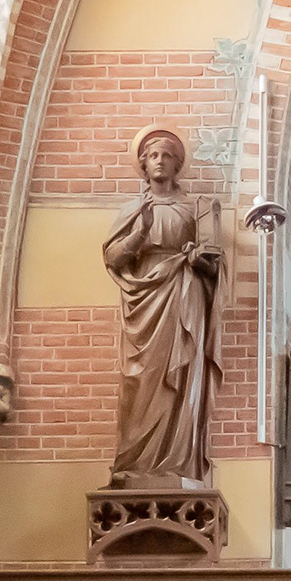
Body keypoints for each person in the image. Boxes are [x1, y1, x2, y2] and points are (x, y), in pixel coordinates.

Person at [102, 127, 223, 486]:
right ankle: (134, 463)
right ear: (143, 163)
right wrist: (141, 231)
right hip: (143, 302)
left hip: (183, 296)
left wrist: (198, 257)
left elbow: (213, 266)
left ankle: (179, 460)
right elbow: (112, 257)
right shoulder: (133, 210)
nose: (159, 161)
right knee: (138, 380)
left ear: (177, 164)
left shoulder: (193, 209)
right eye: (153, 155)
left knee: (182, 380)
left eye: (167, 155)